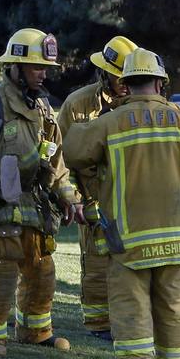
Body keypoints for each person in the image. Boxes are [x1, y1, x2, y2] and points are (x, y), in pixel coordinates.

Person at [62, 49, 180, 359]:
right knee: (173, 304)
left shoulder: (110, 123)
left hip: (128, 235)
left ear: (126, 83)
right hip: (176, 235)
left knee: (130, 301)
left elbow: (73, 152)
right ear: (161, 84)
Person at [0, 28, 83, 358]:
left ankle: (35, 331)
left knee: (42, 270)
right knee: (2, 269)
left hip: (34, 207)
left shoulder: (43, 110)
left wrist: (68, 197)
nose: (43, 73)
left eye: (46, 68)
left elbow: (55, 160)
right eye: (36, 67)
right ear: (15, 66)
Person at [57, 35, 136, 341]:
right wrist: (76, 200)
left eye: (130, 78)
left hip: (132, 201)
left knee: (132, 265)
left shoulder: (138, 107)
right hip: (94, 200)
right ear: (104, 73)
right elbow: (61, 159)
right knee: (96, 263)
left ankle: (130, 320)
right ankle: (99, 324)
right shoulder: (79, 104)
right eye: (120, 78)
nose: (126, 84)